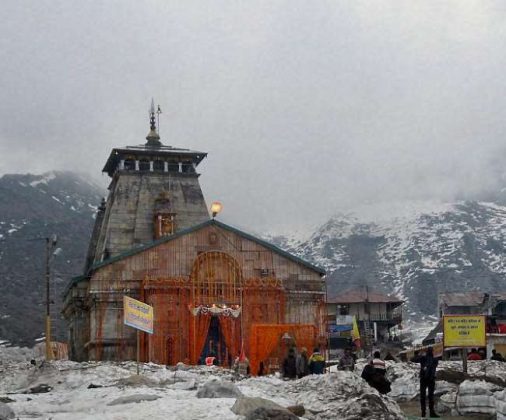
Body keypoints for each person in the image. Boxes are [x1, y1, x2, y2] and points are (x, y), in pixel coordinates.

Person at [412, 346, 439, 418]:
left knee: (423, 396)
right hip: (431, 379)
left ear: (427, 352)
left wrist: (420, 353)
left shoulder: (423, 358)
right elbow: (433, 368)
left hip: (423, 379)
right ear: (432, 351)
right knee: (431, 396)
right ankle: (432, 412)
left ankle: (423, 413)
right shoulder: (435, 359)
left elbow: (413, 359)